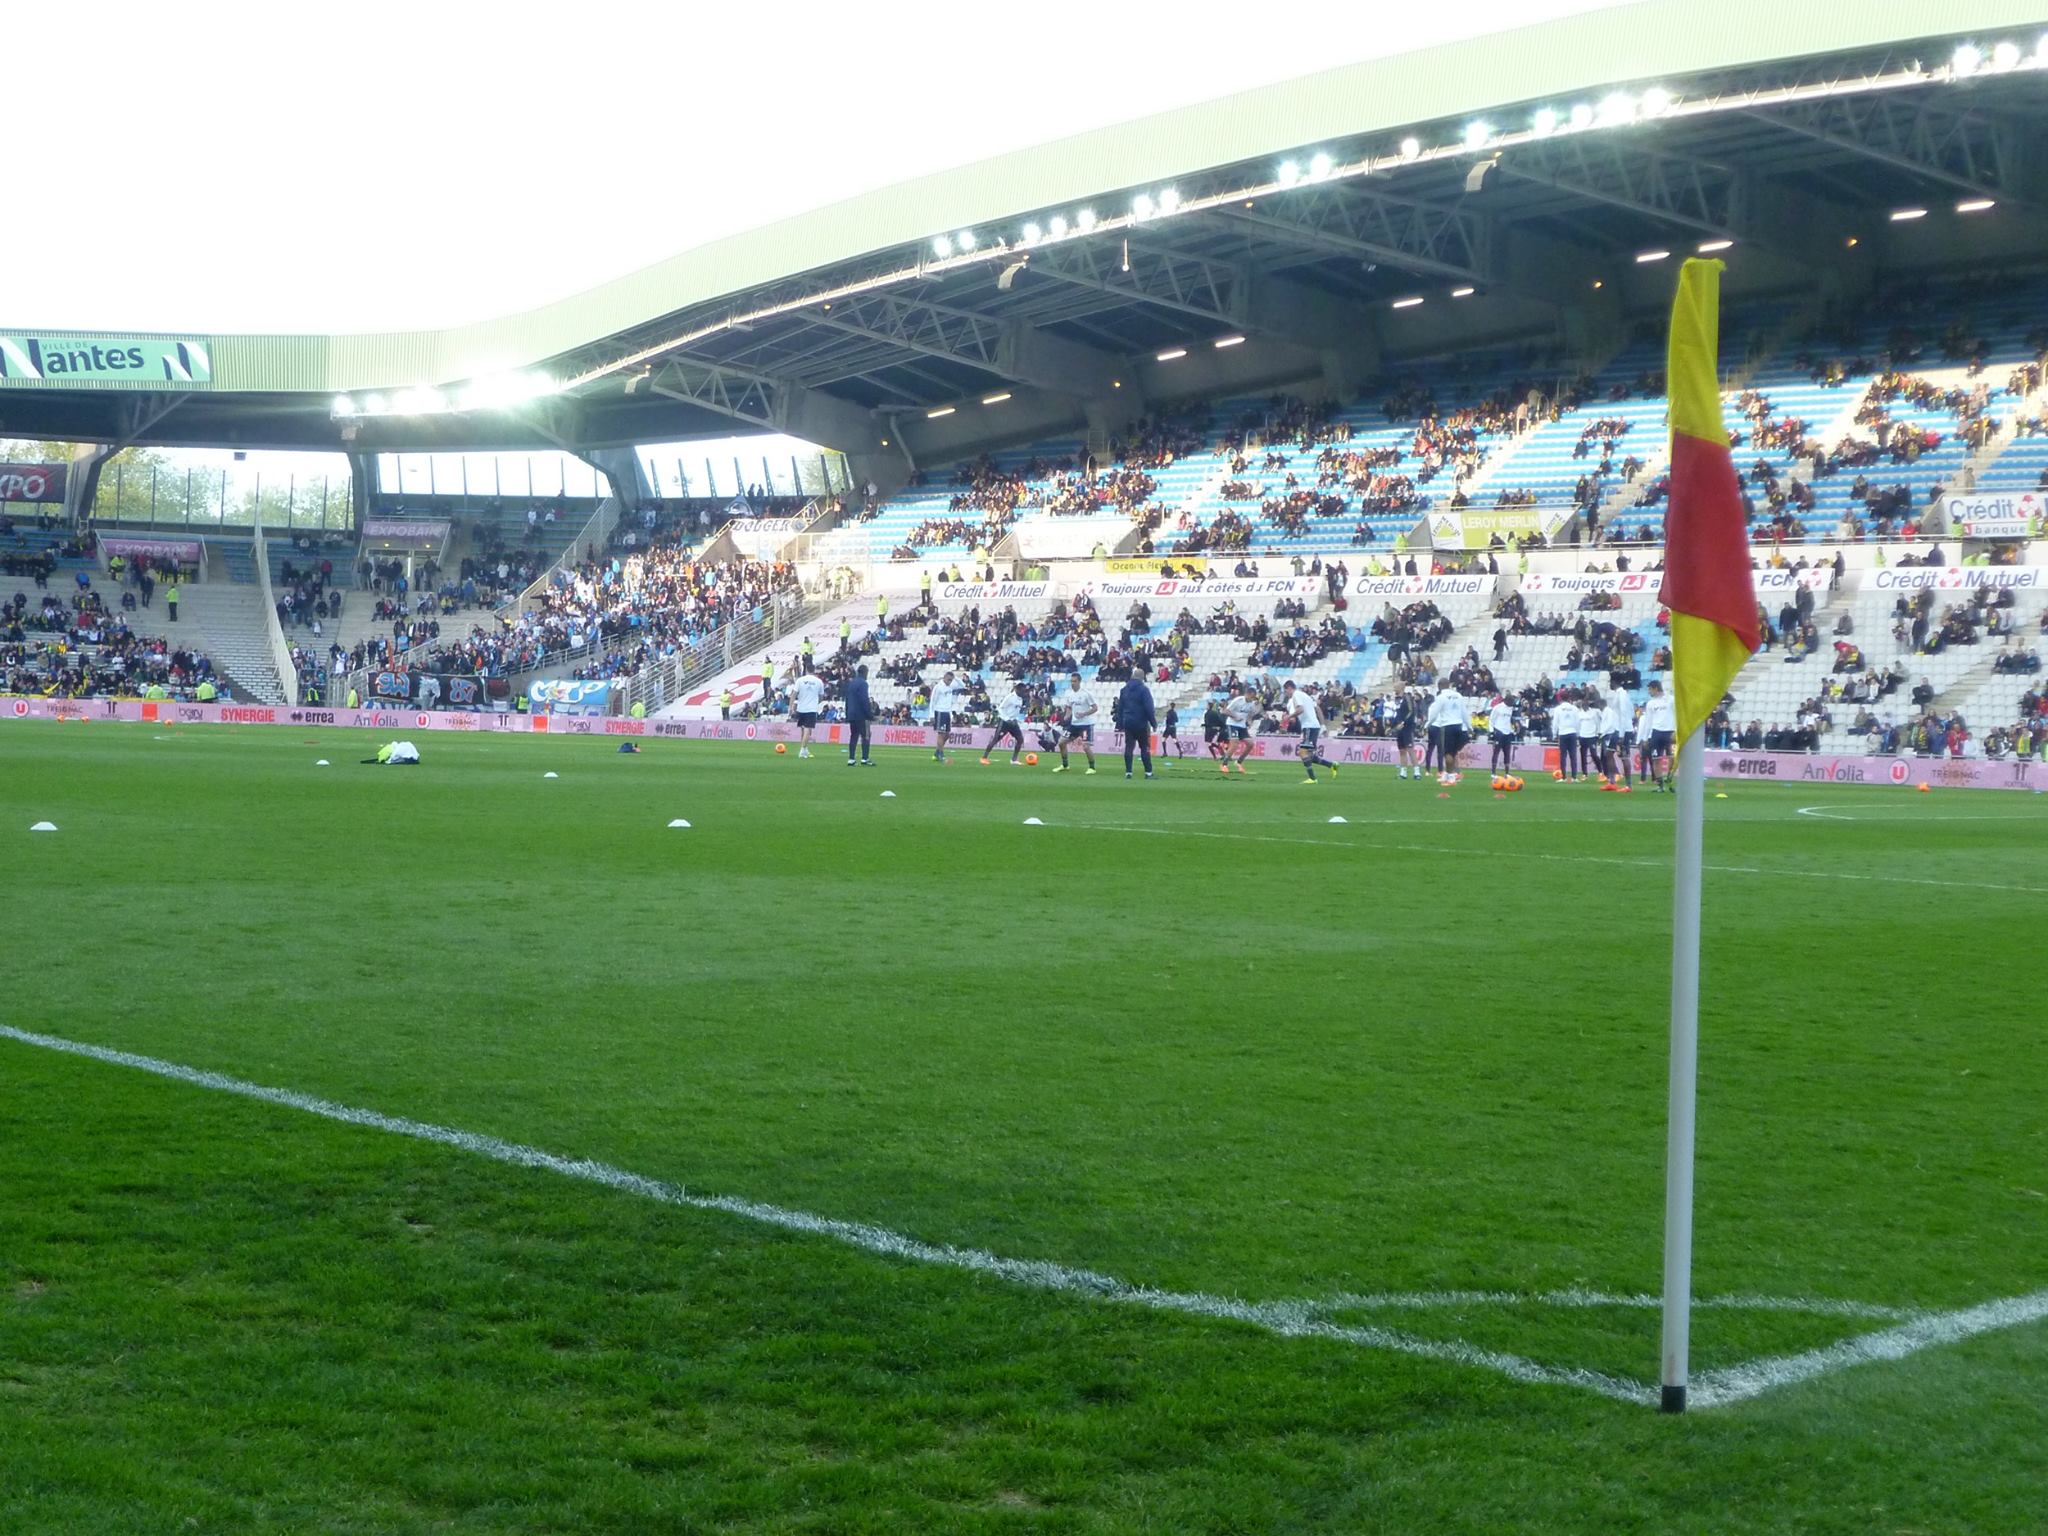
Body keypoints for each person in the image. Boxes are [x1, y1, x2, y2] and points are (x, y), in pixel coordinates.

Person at [1282, 680, 1336, 783]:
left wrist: (1289, 716)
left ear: (1289, 688)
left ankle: (1312, 778)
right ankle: (1331, 765)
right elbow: (1317, 708)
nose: (1286, 693)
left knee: (1302, 752)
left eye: (1286, 691)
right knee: (1309, 755)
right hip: (1313, 726)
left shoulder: (1296, 695)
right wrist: (1322, 724)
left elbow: (1300, 710)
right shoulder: (1305, 695)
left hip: (1309, 726)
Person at [1052, 671, 1099, 774]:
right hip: (1074, 724)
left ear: (1079, 681)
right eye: (1071, 681)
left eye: (1074, 681)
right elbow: (1069, 707)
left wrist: (1084, 713)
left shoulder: (1086, 694)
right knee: (1061, 742)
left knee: (1086, 746)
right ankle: (1065, 765)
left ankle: (1092, 768)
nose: (1072, 683)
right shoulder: (1070, 695)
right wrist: (1066, 716)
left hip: (1086, 724)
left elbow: (1095, 708)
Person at [1116, 669, 1157, 779]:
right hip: (1141, 723)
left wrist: (1119, 724)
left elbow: (1120, 708)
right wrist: (1153, 723)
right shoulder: (1144, 690)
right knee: (1144, 747)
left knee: (1129, 746)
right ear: (1142, 678)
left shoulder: (1124, 690)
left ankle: (1128, 772)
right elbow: (1149, 708)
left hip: (1128, 722)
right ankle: (1148, 772)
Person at [1638, 678, 1677, 791]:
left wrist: (1675, 730)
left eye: (1650, 690)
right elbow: (1648, 721)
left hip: (1670, 732)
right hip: (1656, 733)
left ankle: (1669, 779)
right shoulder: (1651, 703)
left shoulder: (1671, 700)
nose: (1649, 692)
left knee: (1672, 758)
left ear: (1655, 688)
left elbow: (1677, 715)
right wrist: (1645, 738)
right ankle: (1660, 786)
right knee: (1656, 759)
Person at [1426, 681, 1468, 784]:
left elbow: (1434, 713)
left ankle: (1451, 776)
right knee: (1453, 752)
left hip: (1447, 726)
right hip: (1459, 725)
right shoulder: (1458, 695)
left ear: (1439, 687)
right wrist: (1469, 726)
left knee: (1447, 753)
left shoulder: (1441, 697)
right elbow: (1464, 712)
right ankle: (1448, 773)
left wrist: (1427, 724)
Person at [1601, 675, 1635, 791]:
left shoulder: (1622, 695)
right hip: (1617, 729)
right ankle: (1612, 782)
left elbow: (1625, 714)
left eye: (1611, 681)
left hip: (1623, 730)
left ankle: (1628, 785)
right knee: (1609, 754)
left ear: (1615, 682)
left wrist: (1621, 734)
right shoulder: (1618, 694)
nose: (1609, 684)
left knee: (1624, 756)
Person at [984, 680, 1028, 764]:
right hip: (1004, 722)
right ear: (1017, 690)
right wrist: (1007, 718)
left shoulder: (1021, 699)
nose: (1024, 692)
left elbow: (1014, 711)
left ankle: (1014, 759)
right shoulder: (1010, 697)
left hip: (1013, 723)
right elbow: (1000, 708)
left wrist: (1015, 719)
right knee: (995, 739)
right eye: (1023, 691)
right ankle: (984, 757)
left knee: (1020, 739)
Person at [1222, 682, 1259, 776]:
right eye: (1252, 697)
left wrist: (1249, 721)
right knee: (1234, 744)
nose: (1252, 699)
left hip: (1242, 726)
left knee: (1250, 744)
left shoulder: (1251, 704)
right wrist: (1235, 716)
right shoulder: (1238, 700)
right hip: (1232, 724)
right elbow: (1225, 711)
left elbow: (1249, 714)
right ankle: (1224, 764)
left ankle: (1239, 762)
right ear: (1247, 694)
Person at [928, 668, 964, 763]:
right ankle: (940, 754)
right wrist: (931, 715)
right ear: (944, 678)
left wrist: (955, 677)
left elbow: (963, 685)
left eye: (951, 680)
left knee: (947, 735)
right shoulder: (938, 687)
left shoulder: (951, 686)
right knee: (941, 733)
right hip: (939, 712)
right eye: (948, 680)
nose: (949, 682)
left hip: (947, 712)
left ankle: (937, 752)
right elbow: (933, 701)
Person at [788, 667, 825, 757]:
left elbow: (793, 694)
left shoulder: (800, 680)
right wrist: (816, 702)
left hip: (801, 708)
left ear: (806, 670)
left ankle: (805, 748)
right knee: (808, 729)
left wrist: (791, 706)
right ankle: (802, 749)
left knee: (803, 728)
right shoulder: (819, 681)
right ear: (814, 670)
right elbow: (821, 696)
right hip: (811, 708)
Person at [843, 663, 873, 765]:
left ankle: (851, 759)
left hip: (851, 713)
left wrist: (847, 713)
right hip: (861, 714)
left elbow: (847, 700)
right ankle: (865, 758)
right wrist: (869, 714)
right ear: (865, 673)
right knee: (865, 736)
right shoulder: (863, 684)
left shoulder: (851, 683)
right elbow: (864, 699)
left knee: (854, 735)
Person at [1391, 690, 1422, 781]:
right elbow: (1398, 714)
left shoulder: (1407, 698)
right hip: (1399, 728)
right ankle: (1403, 773)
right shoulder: (1397, 700)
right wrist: (1395, 724)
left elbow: (1410, 712)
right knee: (1402, 750)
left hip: (1407, 728)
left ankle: (1417, 772)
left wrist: (1403, 722)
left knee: (1410, 750)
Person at [1487, 693, 1517, 772]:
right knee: (1496, 752)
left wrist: (1512, 730)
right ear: (1506, 700)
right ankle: (1493, 771)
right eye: (1511, 702)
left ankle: (1507, 772)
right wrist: (1491, 731)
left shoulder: (1510, 709)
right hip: (1499, 731)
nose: (1511, 704)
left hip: (1507, 732)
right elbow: (1491, 720)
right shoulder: (1498, 707)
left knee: (1507, 753)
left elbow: (1508, 721)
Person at [1554, 694, 1580, 781]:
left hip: (1563, 733)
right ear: (1569, 698)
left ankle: (1564, 777)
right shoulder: (1575, 708)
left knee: (1563, 756)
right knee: (1573, 755)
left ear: (1561, 698)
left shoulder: (1557, 709)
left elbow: (1555, 723)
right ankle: (1574, 777)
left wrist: (1554, 734)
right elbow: (1577, 722)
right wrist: (1578, 733)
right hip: (1572, 733)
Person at [1203, 694, 1229, 766]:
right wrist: (1221, 727)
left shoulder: (1208, 714)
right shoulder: (1214, 713)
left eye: (1207, 705)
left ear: (1209, 706)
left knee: (1209, 743)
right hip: (1213, 730)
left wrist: (1205, 725)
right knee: (1210, 743)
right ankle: (1219, 752)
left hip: (1210, 730)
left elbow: (1208, 723)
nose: (1206, 706)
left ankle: (1215, 756)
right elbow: (1219, 721)